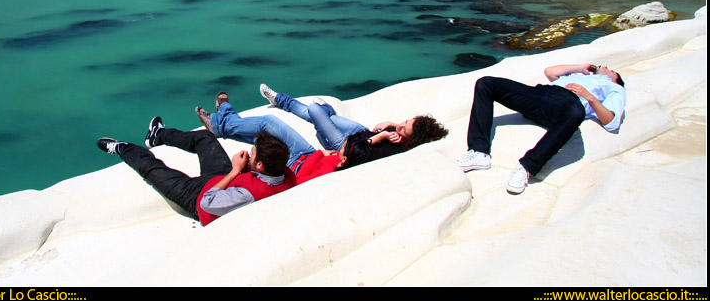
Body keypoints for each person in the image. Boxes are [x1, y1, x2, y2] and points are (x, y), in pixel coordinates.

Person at [195, 86, 448, 183]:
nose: (399, 127)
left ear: (410, 141)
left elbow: (354, 153)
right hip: (313, 153)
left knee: (312, 111)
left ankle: (222, 122)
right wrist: (392, 125)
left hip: (309, 158)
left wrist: (378, 137)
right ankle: (225, 116)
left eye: (404, 128)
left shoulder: (392, 150)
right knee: (274, 121)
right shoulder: (397, 134)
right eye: (404, 122)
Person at [455, 63, 626, 195]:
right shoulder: (580, 75)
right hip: (540, 94)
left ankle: (527, 167)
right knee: (486, 83)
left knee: (577, 111)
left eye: (611, 70)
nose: (606, 67)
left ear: (615, 78)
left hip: (568, 104)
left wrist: (589, 97)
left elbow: (611, 121)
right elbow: (550, 72)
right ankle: (479, 152)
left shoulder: (614, 88)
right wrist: (581, 67)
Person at [97, 119, 296, 226]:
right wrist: (243, 168)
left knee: (153, 170)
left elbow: (207, 202)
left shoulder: (248, 195)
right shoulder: (282, 172)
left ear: (260, 165)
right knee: (205, 138)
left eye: (252, 155)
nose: (249, 154)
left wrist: (235, 171)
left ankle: (122, 148)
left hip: (196, 195)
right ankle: (158, 135)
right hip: (222, 179)